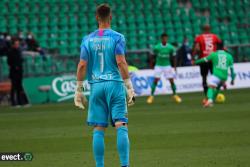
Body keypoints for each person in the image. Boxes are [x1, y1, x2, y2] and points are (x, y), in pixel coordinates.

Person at [74, 4, 135, 167]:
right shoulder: (117, 37)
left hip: (96, 86)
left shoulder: (87, 39)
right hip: (114, 85)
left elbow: (81, 65)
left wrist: (78, 90)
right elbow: (121, 62)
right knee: (120, 124)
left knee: (98, 128)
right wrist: (129, 87)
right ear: (111, 17)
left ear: (96, 18)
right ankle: (125, 165)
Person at [195, 42, 235, 107]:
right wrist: (233, 79)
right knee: (218, 88)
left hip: (216, 75)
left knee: (210, 86)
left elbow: (204, 60)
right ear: (223, 47)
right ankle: (211, 101)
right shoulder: (229, 56)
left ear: (216, 47)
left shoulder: (214, 54)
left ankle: (209, 100)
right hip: (224, 77)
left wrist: (196, 62)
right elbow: (232, 70)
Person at [147, 33, 182, 104]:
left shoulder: (170, 47)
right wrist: (151, 65)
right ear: (161, 39)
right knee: (156, 80)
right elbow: (152, 55)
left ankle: (175, 95)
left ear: (167, 39)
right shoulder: (157, 47)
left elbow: (175, 57)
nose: (165, 39)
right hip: (158, 65)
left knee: (171, 80)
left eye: (166, 38)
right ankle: (151, 96)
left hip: (167, 65)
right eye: (163, 38)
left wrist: (175, 66)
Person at [192, 24, 221, 102]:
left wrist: (193, 58)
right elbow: (220, 46)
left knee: (204, 78)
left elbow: (196, 48)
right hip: (213, 60)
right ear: (210, 29)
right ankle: (215, 95)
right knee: (215, 78)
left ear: (203, 29)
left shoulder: (199, 37)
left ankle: (207, 97)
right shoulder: (215, 36)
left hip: (204, 60)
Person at [7, 38, 29, 107]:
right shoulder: (10, 51)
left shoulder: (19, 51)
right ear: (13, 45)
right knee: (14, 87)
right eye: (16, 44)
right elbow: (9, 62)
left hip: (19, 72)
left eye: (18, 44)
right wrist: (15, 66)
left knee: (20, 87)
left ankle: (21, 102)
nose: (17, 45)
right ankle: (13, 102)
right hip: (13, 72)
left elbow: (21, 60)